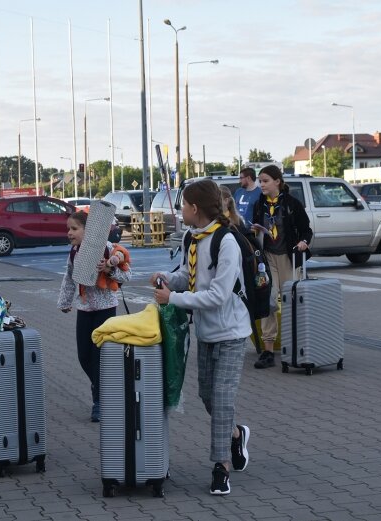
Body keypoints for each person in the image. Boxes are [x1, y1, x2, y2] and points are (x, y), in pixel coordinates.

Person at [151, 179, 251, 496]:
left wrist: (174, 300)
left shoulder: (227, 242)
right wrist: (167, 278)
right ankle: (235, 434)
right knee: (208, 397)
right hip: (206, 332)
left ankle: (220, 468)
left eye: (183, 205)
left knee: (221, 400)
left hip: (233, 331)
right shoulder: (193, 239)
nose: (180, 211)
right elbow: (188, 277)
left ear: (195, 208)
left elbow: (219, 295)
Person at [58, 210, 132, 422]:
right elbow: (69, 278)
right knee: (84, 356)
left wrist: (108, 269)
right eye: (68, 229)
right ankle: (102, 386)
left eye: (74, 229)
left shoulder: (108, 249)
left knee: (100, 357)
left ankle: (100, 400)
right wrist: (65, 302)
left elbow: (127, 275)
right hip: (85, 309)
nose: (70, 233)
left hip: (106, 310)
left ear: (88, 230)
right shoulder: (74, 252)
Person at [251, 164, 313, 369]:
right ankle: (268, 349)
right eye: (260, 181)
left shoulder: (292, 204)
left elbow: (306, 230)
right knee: (269, 297)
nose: (262, 184)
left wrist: (304, 241)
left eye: (265, 181)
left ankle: (295, 343)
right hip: (267, 257)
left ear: (277, 181)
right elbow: (254, 228)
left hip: (288, 257)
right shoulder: (259, 204)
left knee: (291, 299)